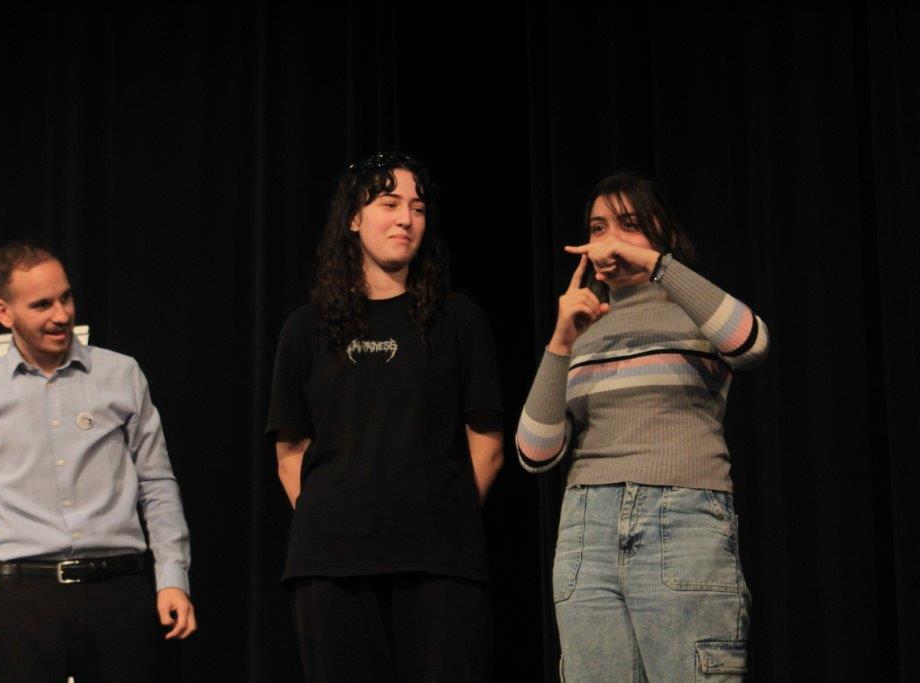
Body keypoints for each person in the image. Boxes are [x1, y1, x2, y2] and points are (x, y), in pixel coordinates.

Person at [516, 173, 768, 681]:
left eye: (628, 225)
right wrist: (561, 342)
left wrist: (658, 266)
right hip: (587, 529)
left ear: (663, 233)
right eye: (598, 228)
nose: (609, 241)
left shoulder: (694, 310)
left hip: (681, 517)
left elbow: (752, 343)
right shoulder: (584, 331)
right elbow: (534, 453)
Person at [266, 152, 504, 682]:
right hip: (330, 563)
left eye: (417, 208)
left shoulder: (459, 319)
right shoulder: (306, 328)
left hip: (440, 559)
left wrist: (441, 517)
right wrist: (338, 522)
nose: (406, 219)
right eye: (390, 204)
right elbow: (290, 451)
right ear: (354, 218)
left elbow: (486, 442)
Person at [0, 242, 196, 682]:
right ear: (2, 312)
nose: (61, 314)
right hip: (24, 603)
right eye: (41, 305)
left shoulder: (121, 374)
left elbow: (157, 484)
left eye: (66, 297)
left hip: (119, 595)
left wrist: (172, 576)